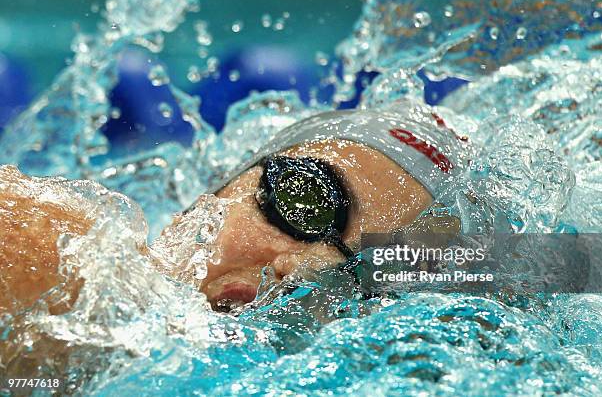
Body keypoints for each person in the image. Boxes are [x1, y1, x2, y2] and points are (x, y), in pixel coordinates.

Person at [0, 100, 468, 314]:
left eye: (360, 273)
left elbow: (537, 267)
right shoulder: (53, 256)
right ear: (213, 193)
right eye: (307, 203)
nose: (302, 269)